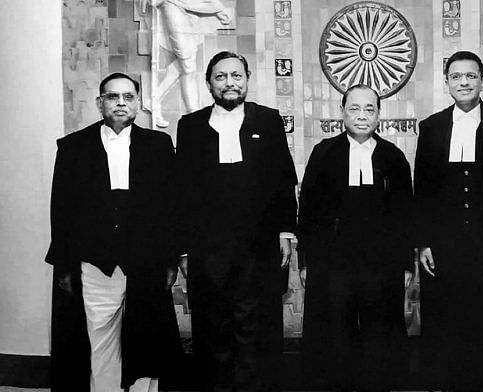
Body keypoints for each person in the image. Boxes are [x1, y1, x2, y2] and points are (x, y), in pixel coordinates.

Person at [46, 73, 181, 392]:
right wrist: (65, 264)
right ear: (99, 103)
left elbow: (171, 206)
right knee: (99, 341)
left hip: (146, 261)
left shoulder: (159, 145)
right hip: (95, 262)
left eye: (128, 97)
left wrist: (171, 258)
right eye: (112, 96)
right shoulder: (73, 147)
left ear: (138, 103)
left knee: (146, 339)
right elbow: (60, 209)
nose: (121, 103)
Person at [175, 51, 297, 392]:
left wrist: (286, 231)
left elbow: (283, 181)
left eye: (236, 76)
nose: (230, 83)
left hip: (258, 249)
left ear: (246, 79)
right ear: (209, 83)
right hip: (207, 250)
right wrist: (183, 248)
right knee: (213, 327)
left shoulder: (268, 120)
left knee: (256, 328)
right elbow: (181, 193)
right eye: (221, 76)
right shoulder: (190, 126)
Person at [414, 51, 483, 391]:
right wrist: (423, 242)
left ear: (482, 80)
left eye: (471, 76)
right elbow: (423, 190)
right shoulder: (432, 127)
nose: (463, 82)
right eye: (456, 76)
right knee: (447, 322)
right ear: (446, 82)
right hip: (445, 247)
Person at [297, 84, 413, 391]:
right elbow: (307, 212)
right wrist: (306, 261)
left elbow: (405, 218)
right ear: (342, 112)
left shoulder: (393, 157)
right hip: (333, 265)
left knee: (380, 338)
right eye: (354, 109)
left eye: (369, 109)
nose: (362, 116)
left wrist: (405, 266)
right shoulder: (324, 153)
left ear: (379, 114)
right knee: (335, 338)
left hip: (381, 266)